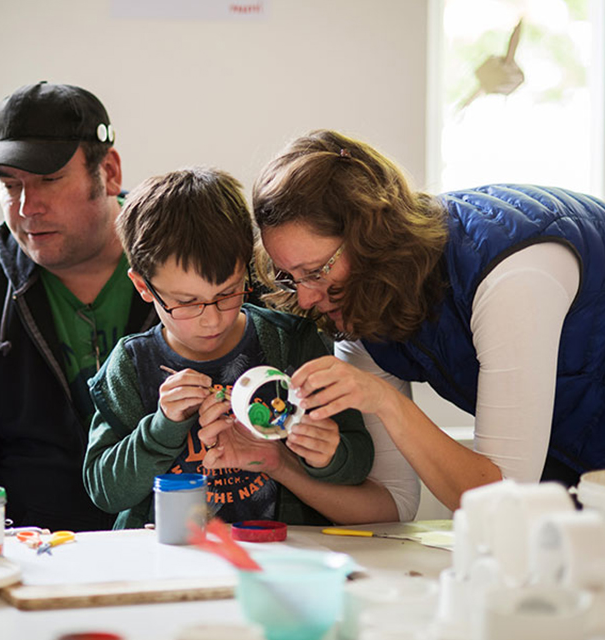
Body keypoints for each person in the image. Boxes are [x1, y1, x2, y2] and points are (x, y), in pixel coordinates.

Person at [252, 129, 605, 515]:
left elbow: (501, 500)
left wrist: (389, 404)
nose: (308, 297)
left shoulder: (510, 275)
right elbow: (392, 503)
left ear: (371, 236)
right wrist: (280, 464)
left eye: (317, 270)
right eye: (290, 278)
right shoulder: (360, 309)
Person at [83, 167, 398, 530]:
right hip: (172, 561)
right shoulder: (131, 365)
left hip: (280, 555)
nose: (212, 320)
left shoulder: (289, 342)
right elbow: (104, 491)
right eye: (187, 302)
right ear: (143, 286)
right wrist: (161, 427)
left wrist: (328, 456)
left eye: (228, 293)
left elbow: (358, 459)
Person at [0, 82, 156, 532]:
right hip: (36, 551)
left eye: (49, 180)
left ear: (110, 172)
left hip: (185, 540)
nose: (28, 207)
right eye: (10, 184)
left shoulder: (196, 271)